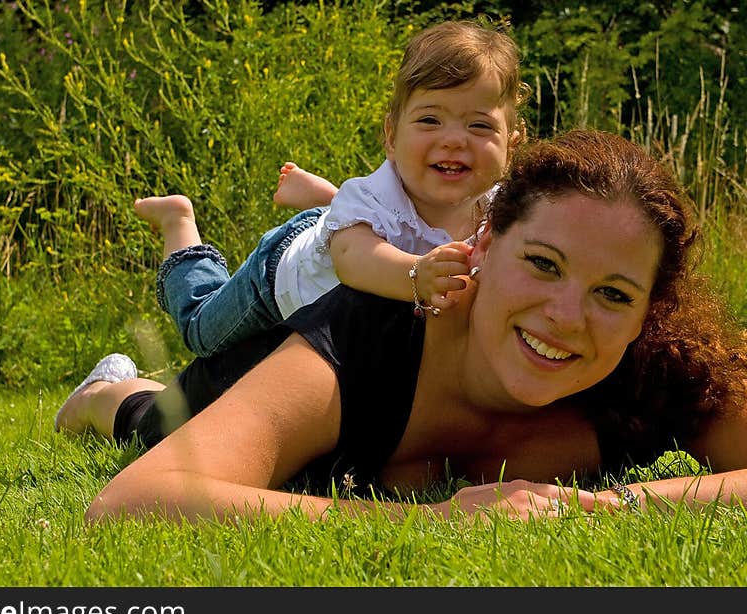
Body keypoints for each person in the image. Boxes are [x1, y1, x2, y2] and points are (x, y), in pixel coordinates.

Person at [56, 129, 747, 524]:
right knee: (160, 419)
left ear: (645, 314)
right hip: (253, 374)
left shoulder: (657, 370)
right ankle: (105, 392)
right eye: (542, 263)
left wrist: (603, 505)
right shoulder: (373, 334)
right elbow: (132, 501)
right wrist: (432, 522)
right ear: (482, 244)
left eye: (613, 293)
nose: (566, 317)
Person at [134, 20, 528, 357]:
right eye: (430, 120)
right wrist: (415, 273)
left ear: (511, 144)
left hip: (352, 240)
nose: (454, 140)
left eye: (479, 125)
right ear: (391, 137)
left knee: (358, 212)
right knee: (202, 331)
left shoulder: (503, 211)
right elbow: (354, 259)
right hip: (287, 275)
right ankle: (178, 222)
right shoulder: (374, 200)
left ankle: (328, 197)